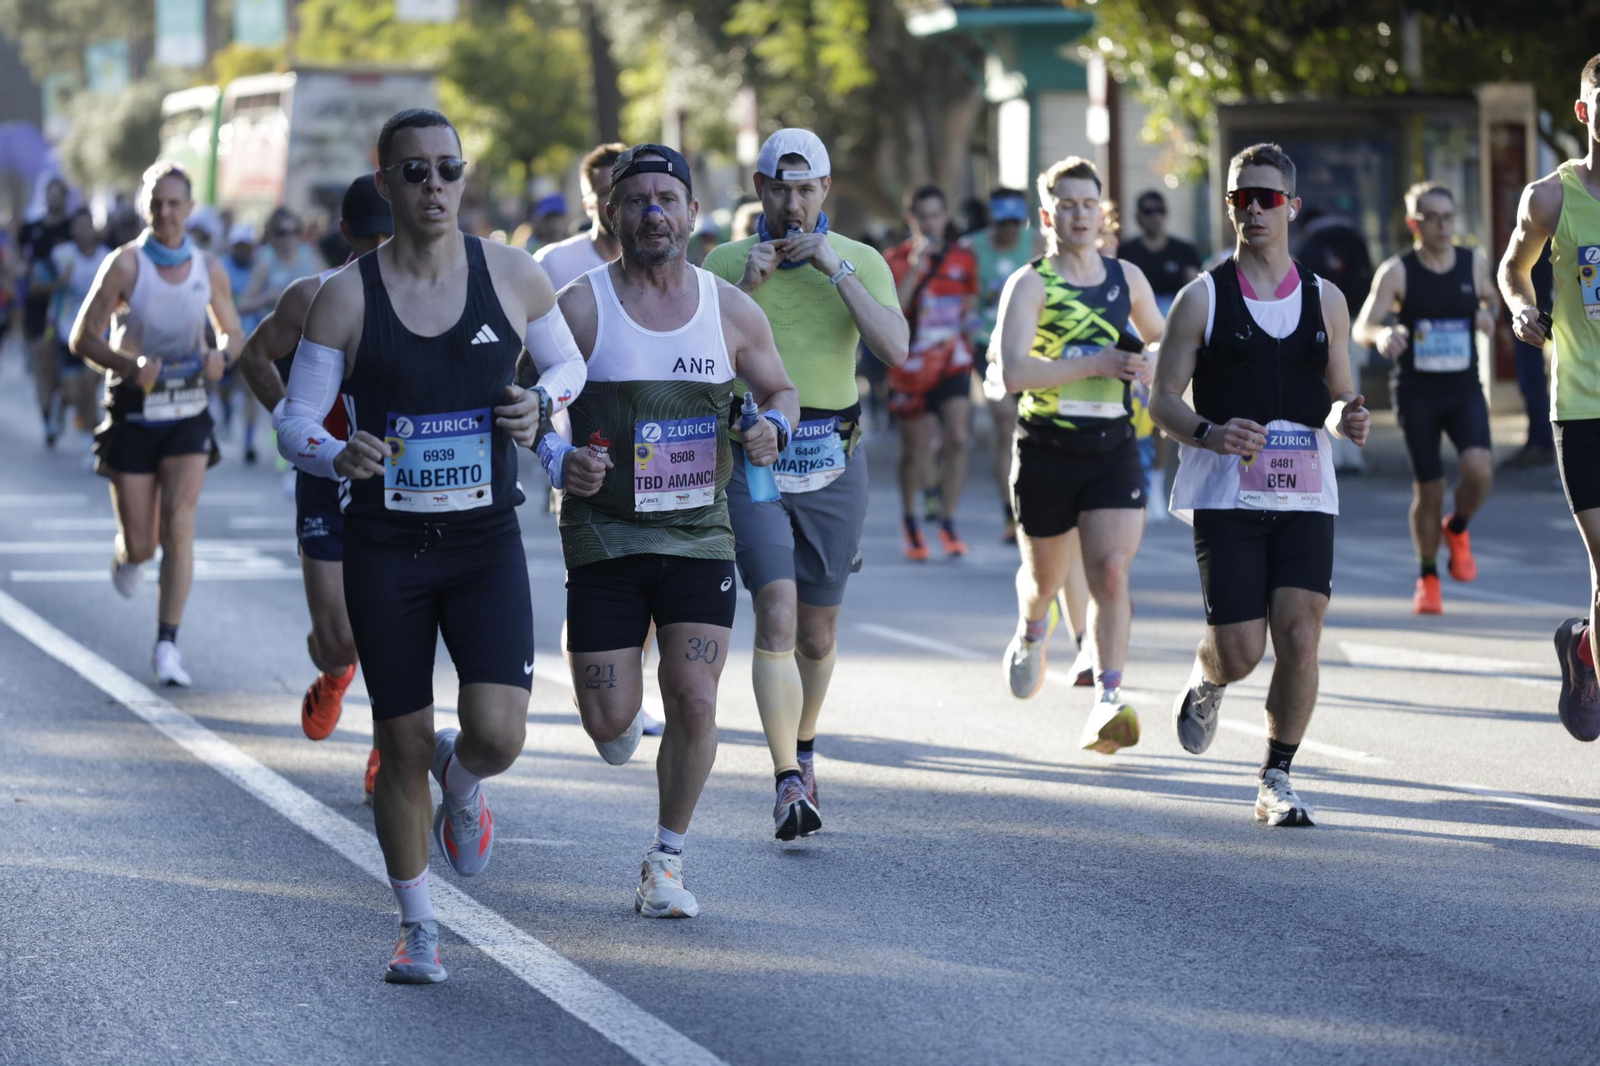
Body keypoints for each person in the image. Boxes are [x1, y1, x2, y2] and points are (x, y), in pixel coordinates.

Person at [275, 109, 587, 982]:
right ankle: (418, 928)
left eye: (448, 169)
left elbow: (568, 368)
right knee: (400, 740)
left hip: (484, 542)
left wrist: (543, 403)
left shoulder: (513, 275)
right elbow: (293, 422)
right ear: (385, 185)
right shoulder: (346, 297)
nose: (434, 187)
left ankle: (466, 781)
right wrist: (337, 449)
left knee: (496, 734)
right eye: (414, 173)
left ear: (465, 177)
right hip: (386, 547)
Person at [537, 143, 798, 913]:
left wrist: (772, 429)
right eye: (637, 198)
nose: (653, 210)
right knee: (612, 724)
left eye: (667, 198)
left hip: (697, 533)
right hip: (606, 534)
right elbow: (524, 405)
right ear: (612, 214)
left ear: (691, 213)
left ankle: (667, 861)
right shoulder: (582, 306)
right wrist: (559, 459)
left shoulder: (730, 309)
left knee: (693, 696)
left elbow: (781, 389)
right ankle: (606, 702)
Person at [1151, 143, 1369, 826]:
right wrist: (1210, 433)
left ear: (1292, 208)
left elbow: (1341, 396)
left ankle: (1276, 776)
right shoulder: (1201, 298)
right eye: (1241, 198)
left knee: (1301, 637)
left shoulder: (1325, 299)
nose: (1253, 209)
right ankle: (1209, 674)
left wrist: (1348, 417)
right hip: (1227, 495)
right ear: (1229, 207)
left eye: (1266, 198)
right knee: (1243, 651)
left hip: (1306, 493)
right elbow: (1162, 403)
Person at [703, 128, 907, 839]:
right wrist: (739, 288)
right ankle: (787, 777)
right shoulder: (724, 262)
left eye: (807, 189)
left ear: (826, 191)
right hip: (754, 459)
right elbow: (685, 360)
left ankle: (807, 746)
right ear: (759, 190)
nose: (793, 204)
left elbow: (897, 351)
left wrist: (837, 272)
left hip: (834, 460)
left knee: (817, 636)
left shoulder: (859, 259)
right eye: (780, 189)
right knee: (778, 615)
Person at [994, 156, 1164, 754]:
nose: (1080, 214)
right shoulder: (1031, 284)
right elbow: (1013, 371)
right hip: (1045, 450)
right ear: (1049, 215)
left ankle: (1108, 696)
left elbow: (1165, 341)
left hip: (1113, 447)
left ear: (1102, 211)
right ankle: (1033, 625)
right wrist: (1095, 363)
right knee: (1044, 579)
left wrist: (1150, 366)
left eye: (1089, 204)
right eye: (1067, 205)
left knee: (1111, 570)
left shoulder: (1127, 280)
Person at [239, 175, 394, 799]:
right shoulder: (312, 296)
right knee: (338, 637)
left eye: (395, 234)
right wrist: (289, 424)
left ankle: (391, 750)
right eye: (373, 237)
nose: (386, 247)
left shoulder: (433, 296)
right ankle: (334, 673)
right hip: (328, 474)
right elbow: (254, 357)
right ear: (346, 236)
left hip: (396, 477)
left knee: (394, 627)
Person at [70, 162, 246, 686]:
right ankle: (128, 554)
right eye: (156, 203)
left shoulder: (208, 269)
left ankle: (167, 644)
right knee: (144, 543)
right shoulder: (125, 266)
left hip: (187, 408)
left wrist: (222, 354)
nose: (165, 212)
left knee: (180, 522)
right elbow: (83, 338)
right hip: (133, 408)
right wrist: (130, 365)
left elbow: (233, 334)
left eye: (174, 203)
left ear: (190, 209)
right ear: (144, 209)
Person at [1499, 53, 1600, 743]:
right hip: (1584, 406)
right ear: (1584, 112)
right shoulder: (1551, 198)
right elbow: (1513, 266)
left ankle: (1584, 646)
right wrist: (1519, 307)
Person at [1353, 181, 1498, 614]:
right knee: (1430, 489)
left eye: (1448, 217)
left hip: (1463, 387)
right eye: (1431, 217)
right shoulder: (1397, 271)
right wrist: (1383, 334)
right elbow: (1363, 326)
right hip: (1417, 392)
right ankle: (1428, 574)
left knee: (1479, 468)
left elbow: (1491, 298)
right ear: (1413, 223)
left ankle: (1459, 526)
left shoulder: (1473, 263)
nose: (1441, 225)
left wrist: (1487, 314)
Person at [886, 186, 980, 560]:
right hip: (911, 365)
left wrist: (969, 329)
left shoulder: (963, 259)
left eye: (936, 215)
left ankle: (948, 520)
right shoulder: (895, 259)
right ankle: (911, 521)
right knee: (917, 447)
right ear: (912, 220)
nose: (930, 222)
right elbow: (893, 308)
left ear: (945, 216)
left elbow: (969, 305)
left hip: (952, 360)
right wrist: (916, 266)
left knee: (957, 437)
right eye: (922, 216)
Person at [966, 187, 1032, 543]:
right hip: (986, 347)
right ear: (991, 219)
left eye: (1014, 223)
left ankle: (1033, 501)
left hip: (1030, 345)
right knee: (1005, 422)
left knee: (1033, 426)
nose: (1008, 231)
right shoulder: (972, 249)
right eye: (1001, 223)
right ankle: (1010, 513)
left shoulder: (1037, 244)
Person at [239, 208, 321, 462]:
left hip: (302, 340)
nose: (289, 238)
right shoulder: (265, 261)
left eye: (295, 232)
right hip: (271, 340)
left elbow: (334, 287)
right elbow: (244, 303)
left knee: (294, 397)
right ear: (272, 236)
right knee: (256, 392)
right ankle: (249, 441)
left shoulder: (311, 258)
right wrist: (267, 297)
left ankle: (286, 448)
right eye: (282, 233)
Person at [47, 208, 112, 457]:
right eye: (79, 226)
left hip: (97, 334)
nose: (84, 230)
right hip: (66, 331)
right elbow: (40, 284)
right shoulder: (61, 255)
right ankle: (61, 404)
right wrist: (60, 282)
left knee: (88, 386)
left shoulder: (108, 258)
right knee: (73, 393)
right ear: (73, 230)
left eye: (88, 225)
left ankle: (92, 441)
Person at [19, 177, 73, 446]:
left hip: (67, 306)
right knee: (43, 360)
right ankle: (47, 417)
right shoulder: (31, 229)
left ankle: (61, 405)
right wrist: (19, 275)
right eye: (50, 195)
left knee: (63, 367)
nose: (54, 199)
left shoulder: (74, 228)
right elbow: (17, 260)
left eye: (58, 195)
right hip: (38, 307)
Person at [533, 144, 625, 290]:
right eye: (604, 192)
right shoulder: (551, 264)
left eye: (623, 189)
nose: (615, 200)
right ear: (588, 206)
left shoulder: (657, 264)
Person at [1116, 190, 1201, 315]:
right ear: (1138, 216)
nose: (1155, 217)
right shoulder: (1126, 251)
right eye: (1148, 211)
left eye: (1159, 210)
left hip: (1177, 315)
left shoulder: (1184, 251)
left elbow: (1196, 290)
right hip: (1136, 316)